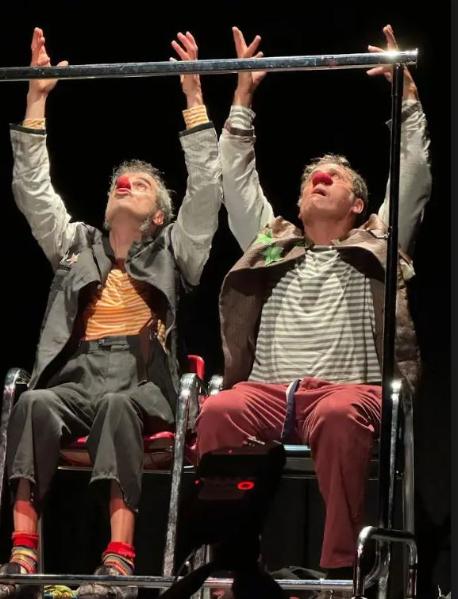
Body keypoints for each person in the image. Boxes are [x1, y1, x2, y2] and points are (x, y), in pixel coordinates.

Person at [197, 24, 431, 598]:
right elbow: (236, 181)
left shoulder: (380, 242)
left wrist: (406, 96)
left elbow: (414, 174)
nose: (318, 179)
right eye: (310, 180)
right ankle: (232, 557)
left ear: (359, 204)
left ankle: (339, 569)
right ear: (298, 205)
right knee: (219, 408)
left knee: (339, 414)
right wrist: (242, 98)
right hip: (270, 395)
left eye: (334, 178)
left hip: (346, 393)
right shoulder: (272, 244)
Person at [0, 27, 222, 599]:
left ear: (158, 215)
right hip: (76, 378)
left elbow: (206, 193)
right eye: (120, 183)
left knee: (118, 406)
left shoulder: (176, 251)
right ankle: (21, 556)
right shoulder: (77, 246)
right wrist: (36, 99)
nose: (125, 185)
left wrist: (194, 100)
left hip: (141, 384)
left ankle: (119, 562)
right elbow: (34, 190)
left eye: (140, 184)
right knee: (32, 402)